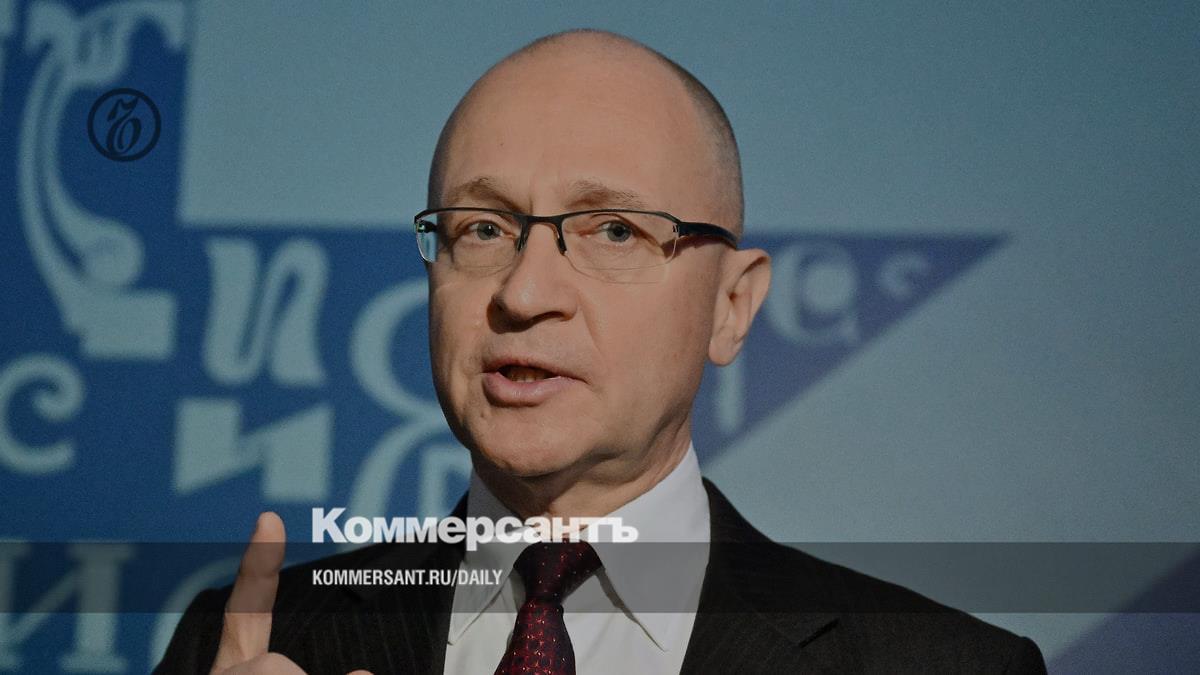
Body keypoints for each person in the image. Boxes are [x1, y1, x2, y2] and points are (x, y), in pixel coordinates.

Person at [157, 29, 1046, 674]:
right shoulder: (247, 642)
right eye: (482, 228)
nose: (524, 293)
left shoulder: (943, 665)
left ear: (731, 306)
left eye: (613, 229)